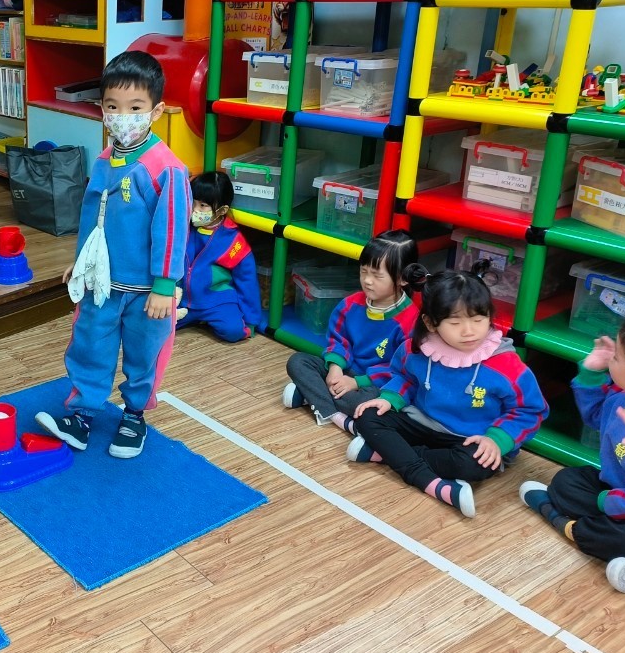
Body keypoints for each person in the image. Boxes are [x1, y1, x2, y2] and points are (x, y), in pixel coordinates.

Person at [35, 51, 191, 459]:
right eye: (112, 107)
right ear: (102, 108)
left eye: (135, 108)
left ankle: (134, 416)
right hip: (102, 283)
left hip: (146, 292)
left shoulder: (166, 169)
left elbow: (172, 230)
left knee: (144, 354)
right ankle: (82, 415)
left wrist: (164, 285)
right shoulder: (105, 160)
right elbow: (93, 216)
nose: (123, 117)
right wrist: (81, 261)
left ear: (155, 111)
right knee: (89, 345)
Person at [350, 266, 548, 518]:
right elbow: (405, 377)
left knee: (471, 465)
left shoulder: (508, 366)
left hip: (470, 440)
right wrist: (389, 399)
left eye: (479, 319)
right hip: (422, 424)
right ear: (430, 323)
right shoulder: (417, 348)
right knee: (368, 415)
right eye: (455, 323)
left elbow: (530, 410)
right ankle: (419, 471)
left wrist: (496, 440)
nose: (469, 331)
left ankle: (389, 454)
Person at [520, 312, 625, 593]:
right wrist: (591, 374)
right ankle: (609, 537)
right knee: (567, 482)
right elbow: (598, 416)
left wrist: (604, 502)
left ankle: (561, 520)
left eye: (616, 358)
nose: (611, 359)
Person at [282, 230, 419, 436]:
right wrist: (335, 368)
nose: (368, 280)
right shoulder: (350, 304)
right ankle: (341, 418)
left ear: (403, 279)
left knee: (366, 404)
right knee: (297, 361)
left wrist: (356, 382)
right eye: (364, 271)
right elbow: (338, 338)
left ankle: (311, 396)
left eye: (377, 275)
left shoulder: (411, 321)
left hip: (373, 384)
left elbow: (401, 370)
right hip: (344, 371)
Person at [175, 171, 264, 342]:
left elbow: (247, 280)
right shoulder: (184, 227)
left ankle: (210, 319)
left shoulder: (232, 241)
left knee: (233, 331)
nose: (195, 209)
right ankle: (198, 319)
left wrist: (251, 319)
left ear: (222, 210)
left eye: (203, 205)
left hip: (217, 301)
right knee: (154, 325)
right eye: (193, 202)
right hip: (183, 299)